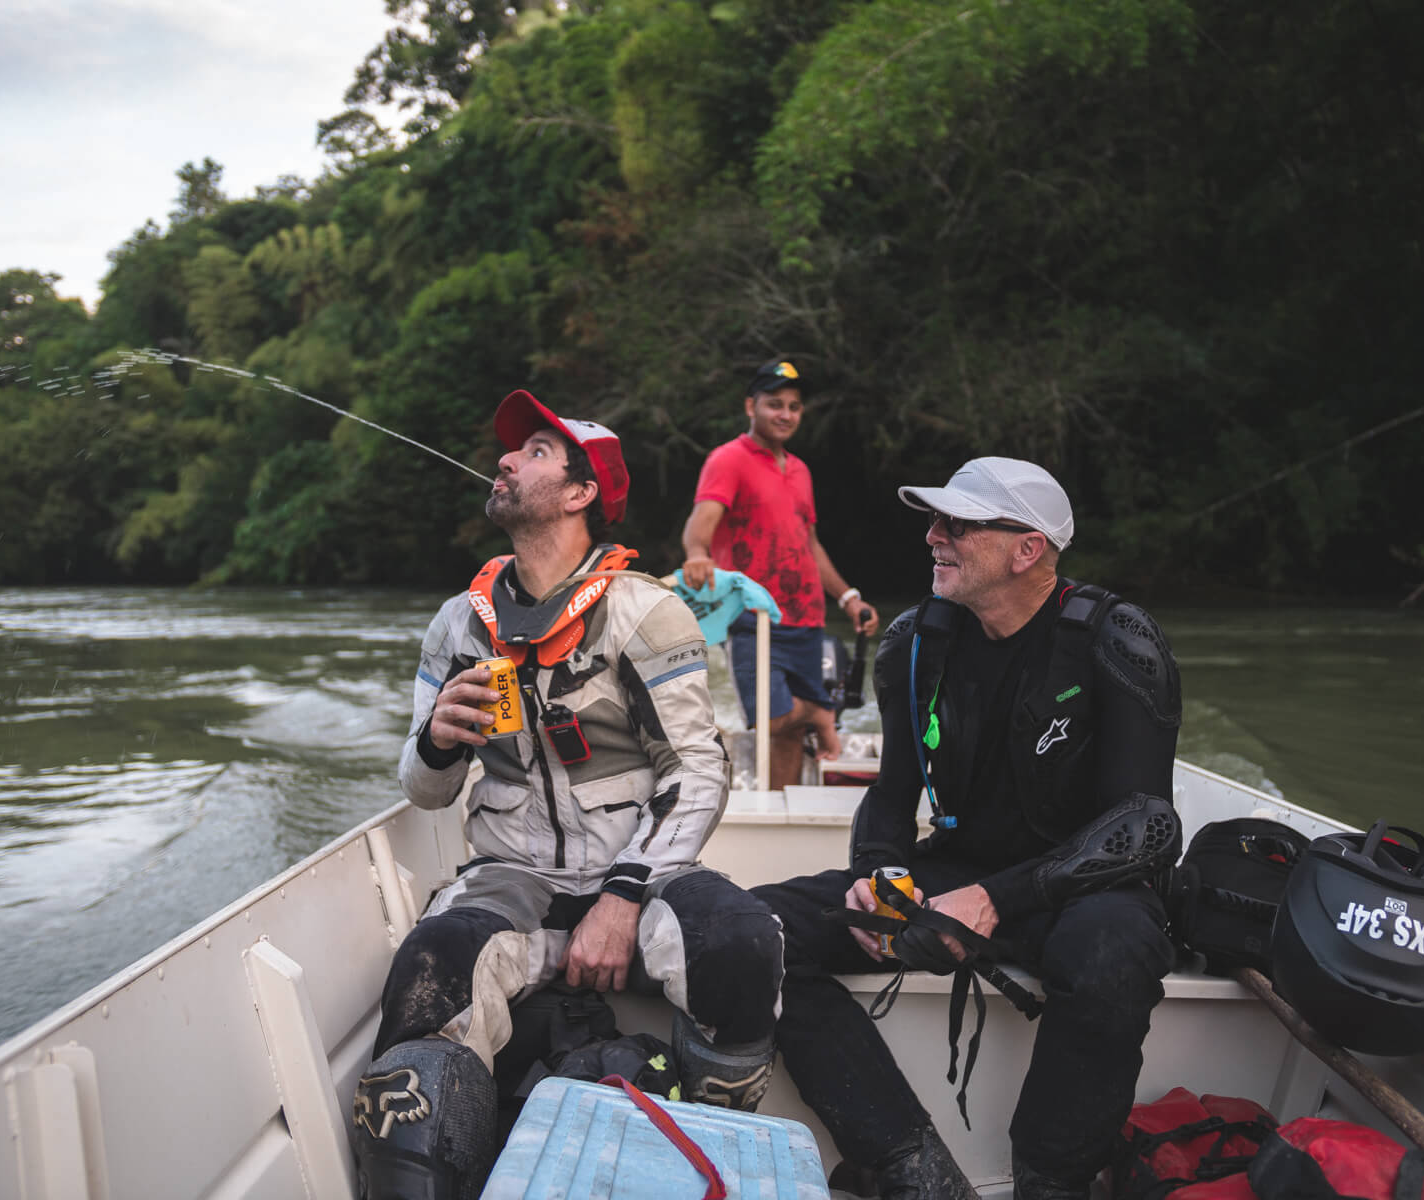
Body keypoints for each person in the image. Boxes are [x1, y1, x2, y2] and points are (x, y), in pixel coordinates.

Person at [351, 390, 784, 1200]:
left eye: (537, 453)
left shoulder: (647, 612)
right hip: (511, 877)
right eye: (512, 451)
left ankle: (696, 1151)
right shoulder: (458, 624)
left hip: (640, 875)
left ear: (583, 493)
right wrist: (439, 740)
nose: (508, 460)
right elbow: (424, 791)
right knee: (428, 966)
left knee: (742, 943)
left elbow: (699, 772)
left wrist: (623, 895)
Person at [753, 457, 1184, 1200]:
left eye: (958, 524)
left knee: (1111, 951)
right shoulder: (916, 642)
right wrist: (878, 872)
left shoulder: (1119, 639)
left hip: (1089, 886)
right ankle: (910, 1166)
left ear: (1028, 549)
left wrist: (996, 899)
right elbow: (891, 794)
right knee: (760, 933)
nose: (933, 537)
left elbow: (1147, 825)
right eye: (934, 520)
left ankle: (1050, 1184)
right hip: (955, 873)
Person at [680, 358, 880, 790]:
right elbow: (700, 526)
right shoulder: (727, 460)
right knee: (769, 720)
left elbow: (810, 545)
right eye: (775, 404)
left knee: (790, 734)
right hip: (753, 615)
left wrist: (848, 598)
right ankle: (817, 712)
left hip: (808, 616)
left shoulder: (802, 470)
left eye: (793, 406)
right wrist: (697, 555)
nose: (785, 414)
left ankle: (783, 804)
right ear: (751, 406)